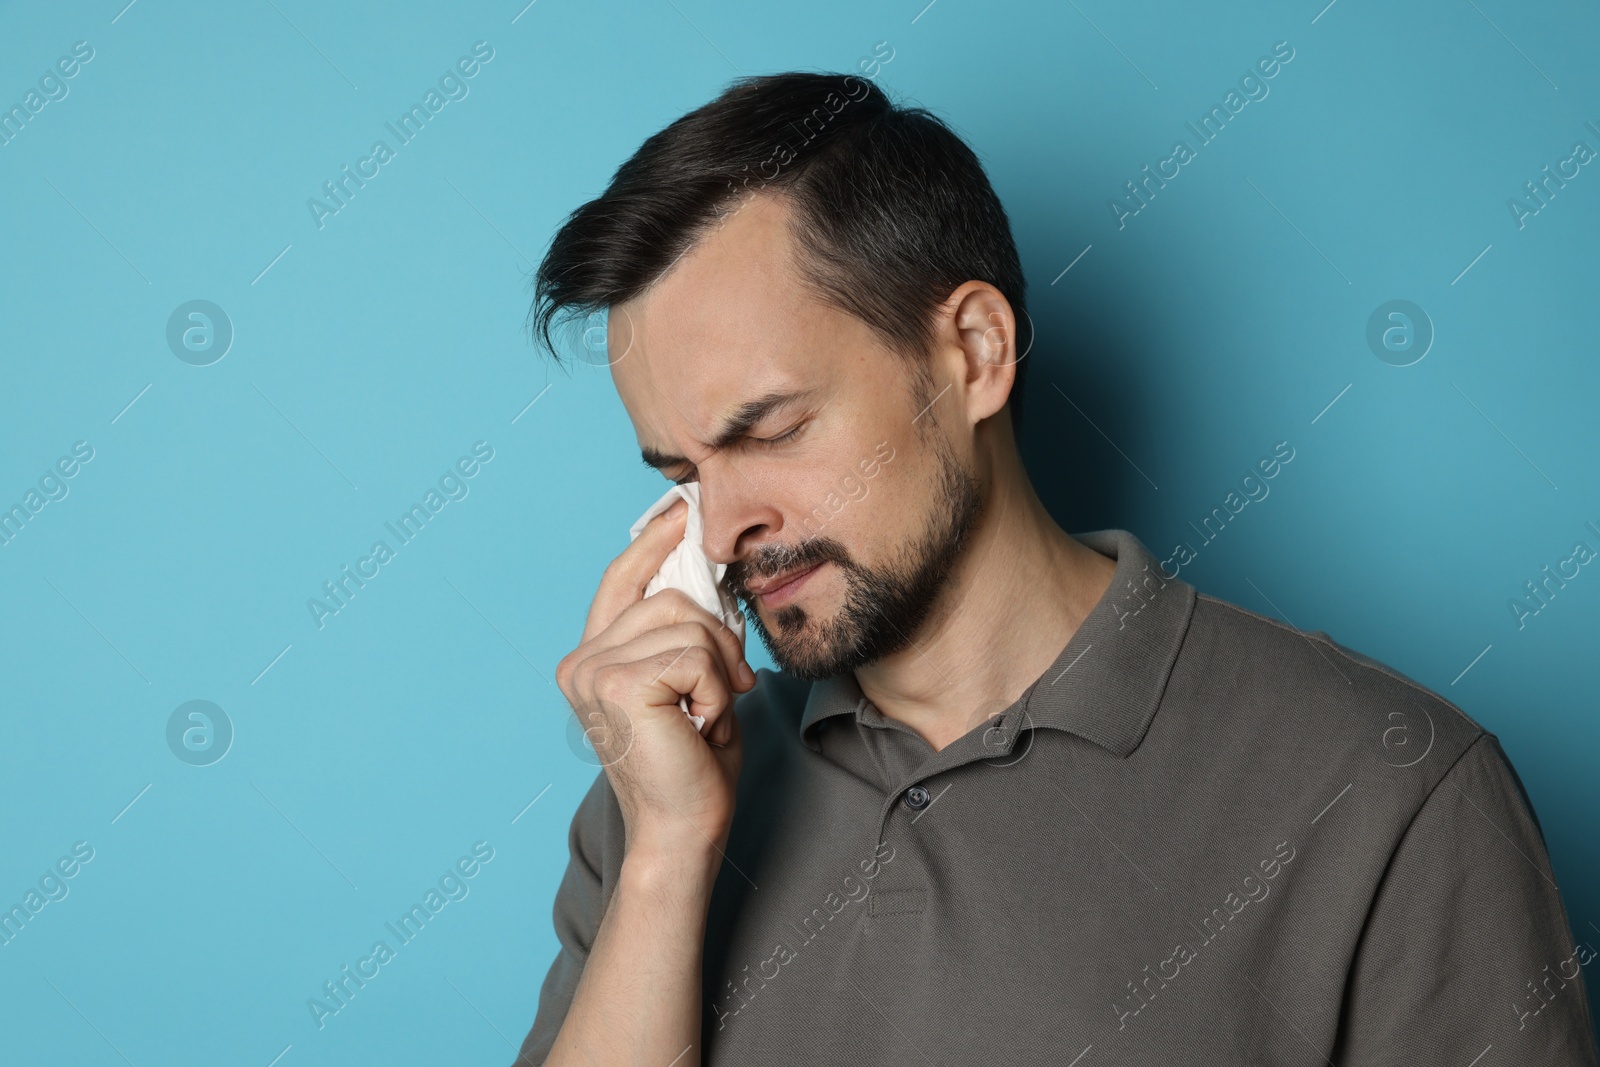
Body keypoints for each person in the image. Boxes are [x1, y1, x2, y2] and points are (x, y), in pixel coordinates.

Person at [510, 71, 1599, 1065]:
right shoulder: (666, 791)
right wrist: (664, 849)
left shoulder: (1392, 788)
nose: (722, 530)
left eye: (775, 429)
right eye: (684, 474)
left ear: (975, 352)